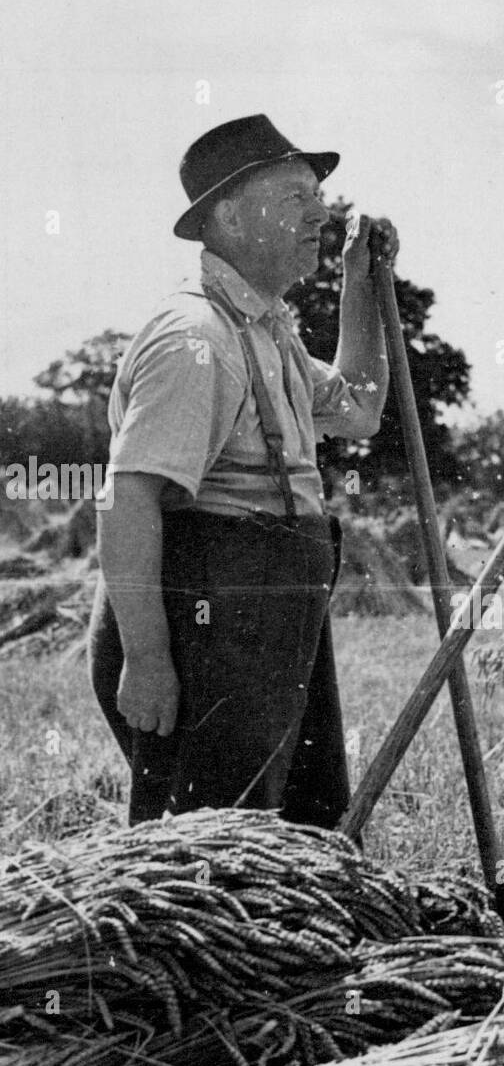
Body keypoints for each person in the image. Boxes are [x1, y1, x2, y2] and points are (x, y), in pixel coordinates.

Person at [89, 113, 398, 830]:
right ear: (227, 216)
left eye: (316, 196)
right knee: (208, 861)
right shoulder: (195, 340)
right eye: (294, 197)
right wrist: (148, 660)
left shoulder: (268, 333)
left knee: (295, 839)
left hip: (272, 616)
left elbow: (358, 410)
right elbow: (127, 501)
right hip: (203, 632)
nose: (320, 211)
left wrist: (359, 283)